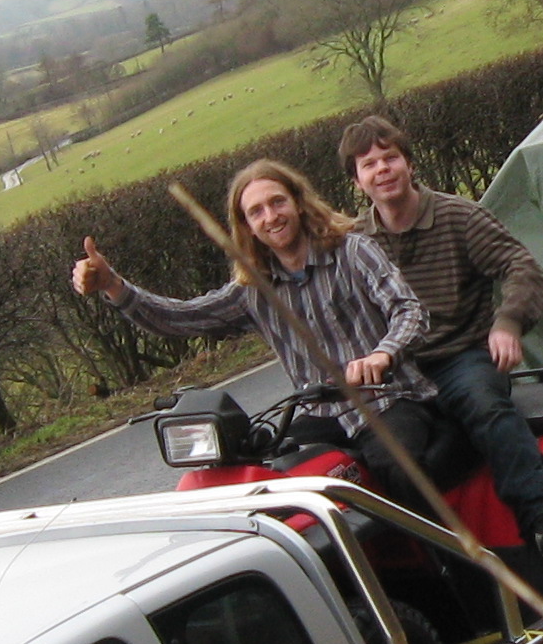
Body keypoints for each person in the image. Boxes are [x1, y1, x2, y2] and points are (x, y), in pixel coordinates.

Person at [72, 159, 463, 499]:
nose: (271, 216)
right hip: (320, 416)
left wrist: (382, 354)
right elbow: (181, 318)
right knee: (272, 484)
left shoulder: (353, 251)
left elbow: (409, 310)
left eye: (277, 202)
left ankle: (451, 571)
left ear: (298, 202)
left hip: (389, 399)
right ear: (247, 226)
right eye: (256, 211)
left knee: (401, 471)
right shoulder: (253, 288)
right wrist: (112, 285)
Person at [337, 113, 543, 569]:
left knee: (486, 407)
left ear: (409, 163)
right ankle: (433, 561)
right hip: (396, 375)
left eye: (391, 157)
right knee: (371, 455)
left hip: (459, 357)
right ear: (357, 181)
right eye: (369, 164)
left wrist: (507, 323)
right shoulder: (355, 241)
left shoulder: (457, 216)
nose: (382, 169)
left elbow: (518, 265)